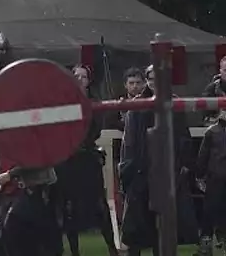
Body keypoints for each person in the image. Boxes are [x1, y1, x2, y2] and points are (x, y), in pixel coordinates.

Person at [119, 65, 198, 256]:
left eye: (158, 78)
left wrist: (181, 165)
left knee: (165, 229)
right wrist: (128, 171)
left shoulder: (174, 103)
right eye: (152, 79)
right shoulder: (138, 105)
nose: (155, 82)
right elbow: (129, 142)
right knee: (136, 229)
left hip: (167, 172)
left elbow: (183, 138)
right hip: (141, 171)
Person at [54, 64, 119, 256]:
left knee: (100, 205)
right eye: (76, 76)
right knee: (67, 206)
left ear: (88, 81)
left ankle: (112, 248)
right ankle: (74, 251)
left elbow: (94, 130)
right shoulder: (63, 103)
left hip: (87, 159)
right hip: (67, 161)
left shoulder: (94, 103)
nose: (80, 79)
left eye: (83, 76)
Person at [0, 159, 62, 256]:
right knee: (12, 229)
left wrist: (11, 174)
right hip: (29, 191)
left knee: (15, 226)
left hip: (41, 189)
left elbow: (34, 160)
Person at [196, 110, 226, 255]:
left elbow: (203, 157)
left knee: (210, 212)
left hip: (216, 177)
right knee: (210, 212)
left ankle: (207, 245)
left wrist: (199, 175)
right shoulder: (211, 132)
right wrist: (200, 175)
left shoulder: (211, 132)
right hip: (216, 178)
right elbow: (203, 157)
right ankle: (207, 244)